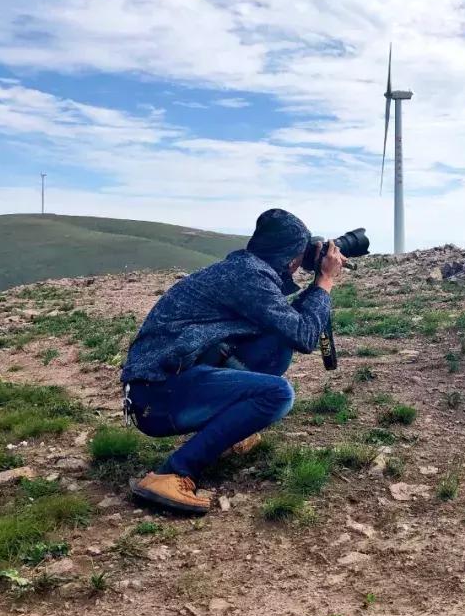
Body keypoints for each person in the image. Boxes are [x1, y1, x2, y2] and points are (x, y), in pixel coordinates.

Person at [120, 209, 345, 514]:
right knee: (277, 394)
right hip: (158, 396)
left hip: (165, 382)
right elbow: (306, 335)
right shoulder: (248, 277)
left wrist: (315, 278)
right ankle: (171, 473)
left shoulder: (245, 269)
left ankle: (229, 434)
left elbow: (290, 328)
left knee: (275, 343)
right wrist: (325, 280)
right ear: (291, 258)